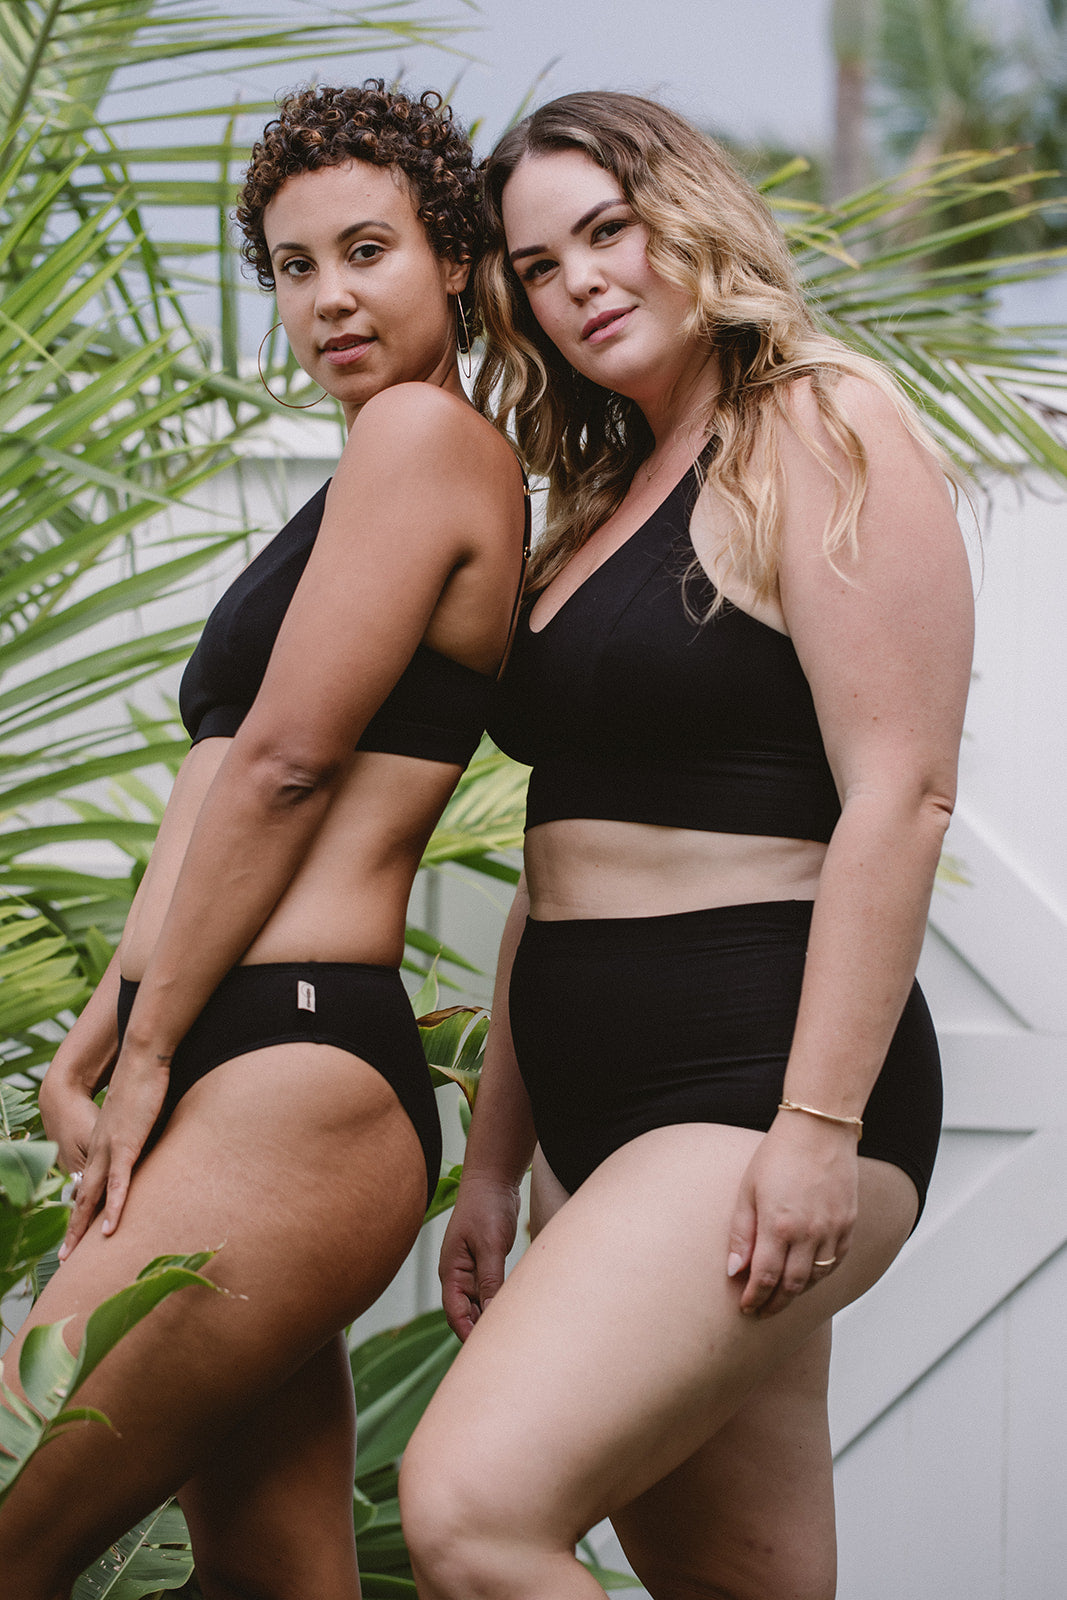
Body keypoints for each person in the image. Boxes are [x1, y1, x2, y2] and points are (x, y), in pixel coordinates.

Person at [399, 91, 974, 1600]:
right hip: (597, 1111)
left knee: (467, 1513)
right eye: (538, 265)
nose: (582, 279)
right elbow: (554, 859)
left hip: (755, 1084)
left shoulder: (814, 418)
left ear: (693, 220)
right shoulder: (594, 500)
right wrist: (498, 1163)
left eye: (610, 228)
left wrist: (816, 1132)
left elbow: (901, 795)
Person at [0, 81, 527, 1599]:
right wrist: (99, 1032)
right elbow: (225, 784)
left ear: (454, 260)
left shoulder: (424, 438)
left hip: (283, 1075)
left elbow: (289, 772)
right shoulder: (371, 464)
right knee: (278, 1575)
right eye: (294, 268)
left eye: (368, 250)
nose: (329, 298)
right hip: (246, 1053)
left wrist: (150, 1043)